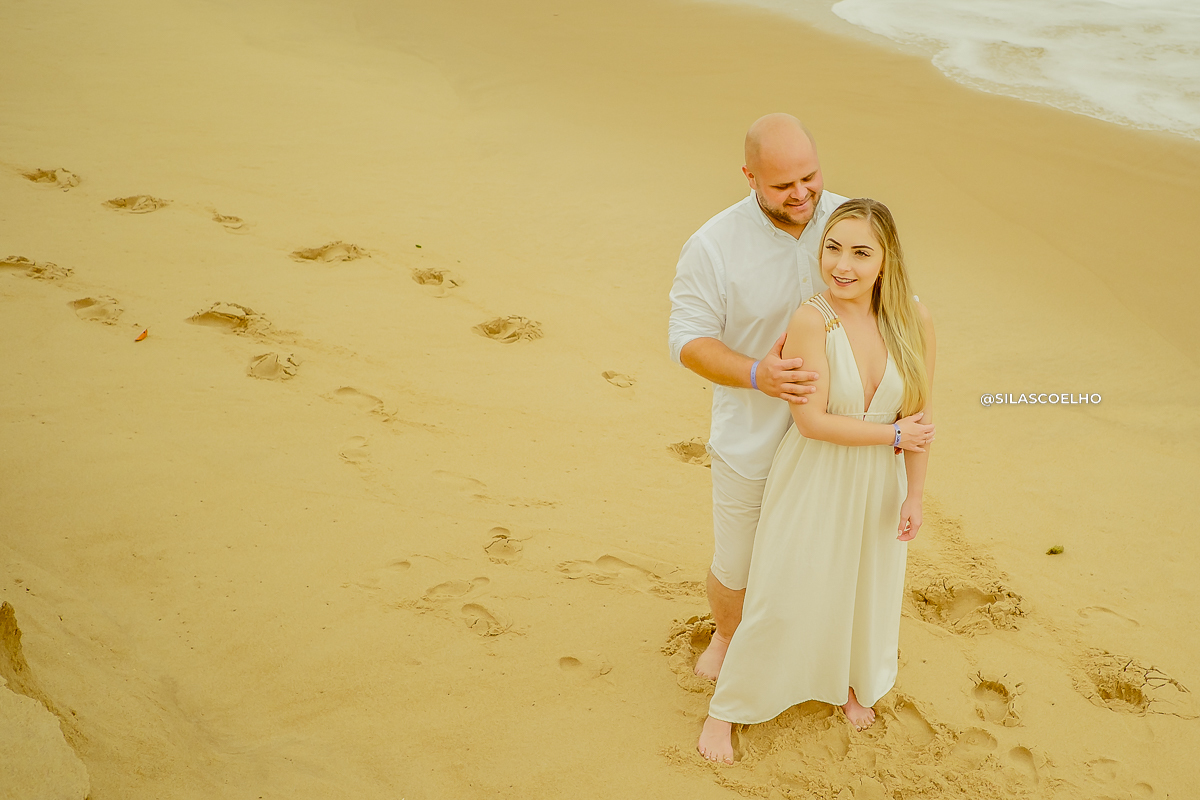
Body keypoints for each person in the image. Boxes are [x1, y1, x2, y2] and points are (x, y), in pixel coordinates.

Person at [667, 114, 932, 681]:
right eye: (783, 185)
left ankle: (814, 656)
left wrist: (895, 429)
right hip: (754, 436)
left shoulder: (843, 221)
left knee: (822, 561)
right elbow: (686, 341)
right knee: (738, 560)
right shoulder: (713, 246)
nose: (802, 194)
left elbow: (895, 308)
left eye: (810, 177)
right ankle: (728, 632)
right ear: (750, 177)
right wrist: (758, 373)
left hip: (840, 442)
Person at [696, 198, 937, 764]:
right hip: (815, 474)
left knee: (866, 584)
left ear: (886, 258)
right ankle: (725, 712)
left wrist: (915, 493)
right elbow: (813, 421)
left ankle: (851, 683)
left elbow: (921, 419)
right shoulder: (813, 319)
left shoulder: (914, 319)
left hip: (880, 481)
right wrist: (892, 440)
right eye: (832, 248)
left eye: (860, 252)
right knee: (784, 589)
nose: (842, 265)